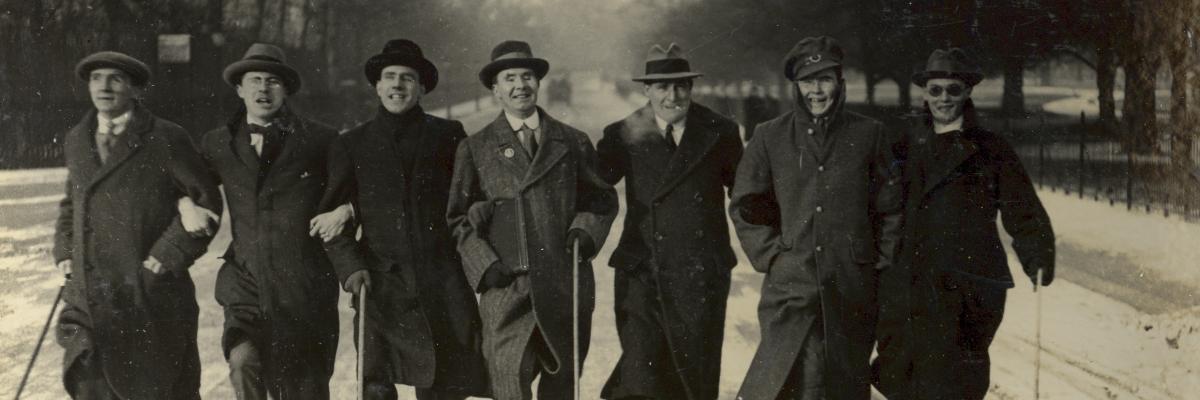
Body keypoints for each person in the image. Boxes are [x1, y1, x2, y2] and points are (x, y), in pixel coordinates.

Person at [871, 48, 1056, 400]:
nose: (944, 98)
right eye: (936, 89)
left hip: (969, 286)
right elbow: (871, 204)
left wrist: (1037, 253)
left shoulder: (990, 149)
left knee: (959, 380)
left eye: (953, 90)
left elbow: (1023, 208)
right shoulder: (900, 145)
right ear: (924, 92)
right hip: (908, 281)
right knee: (901, 374)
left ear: (968, 91)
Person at [728, 36, 903, 400]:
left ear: (839, 82)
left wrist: (878, 264)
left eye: (824, 79)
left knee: (845, 382)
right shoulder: (769, 136)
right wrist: (774, 255)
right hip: (792, 286)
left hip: (850, 285)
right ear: (797, 85)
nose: (816, 91)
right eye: (808, 81)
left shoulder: (869, 134)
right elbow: (745, 204)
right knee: (795, 381)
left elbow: (891, 208)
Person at [313, 38, 489, 400]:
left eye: (407, 78)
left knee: (442, 384)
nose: (397, 85)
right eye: (389, 77)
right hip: (381, 286)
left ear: (422, 87)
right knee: (377, 384)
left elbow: (471, 201)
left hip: (441, 283)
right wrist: (350, 269)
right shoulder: (353, 143)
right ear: (377, 86)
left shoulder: (448, 136)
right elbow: (332, 225)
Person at [446, 40, 618, 400]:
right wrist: (485, 264)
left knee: (562, 382)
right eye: (509, 78)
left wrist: (584, 233)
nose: (520, 85)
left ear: (539, 83)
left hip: (564, 281)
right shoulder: (475, 148)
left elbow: (601, 198)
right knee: (509, 376)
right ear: (495, 90)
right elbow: (458, 218)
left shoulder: (572, 141)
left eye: (527, 76)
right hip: (507, 287)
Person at [54, 50, 223, 399]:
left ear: (135, 90)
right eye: (96, 78)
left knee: (158, 388)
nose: (104, 86)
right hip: (92, 296)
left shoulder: (165, 137)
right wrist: (64, 251)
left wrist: (167, 255)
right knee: (92, 384)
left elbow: (206, 202)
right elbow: (72, 202)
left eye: (116, 78)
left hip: (148, 295)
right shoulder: (76, 140)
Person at [595, 43, 743, 400]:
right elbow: (592, 190)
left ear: (691, 88)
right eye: (662, 87)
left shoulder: (719, 131)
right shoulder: (622, 133)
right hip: (642, 268)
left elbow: (747, 194)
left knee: (694, 375)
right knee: (642, 371)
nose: (673, 95)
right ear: (646, 90)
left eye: (680, 86)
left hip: (701, 271)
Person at [195, 43, 340, 399]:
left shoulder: (321, 140)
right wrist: (187, 203)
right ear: (240, 89)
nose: (263, 89)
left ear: (286, 90)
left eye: (273, 81)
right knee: (243, 363)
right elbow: (187, 183)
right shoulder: (218, 143)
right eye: (255, 80)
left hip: (303, 290)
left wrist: (346, 209)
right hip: (246, 284)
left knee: (303, 389)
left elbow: (353, 188)